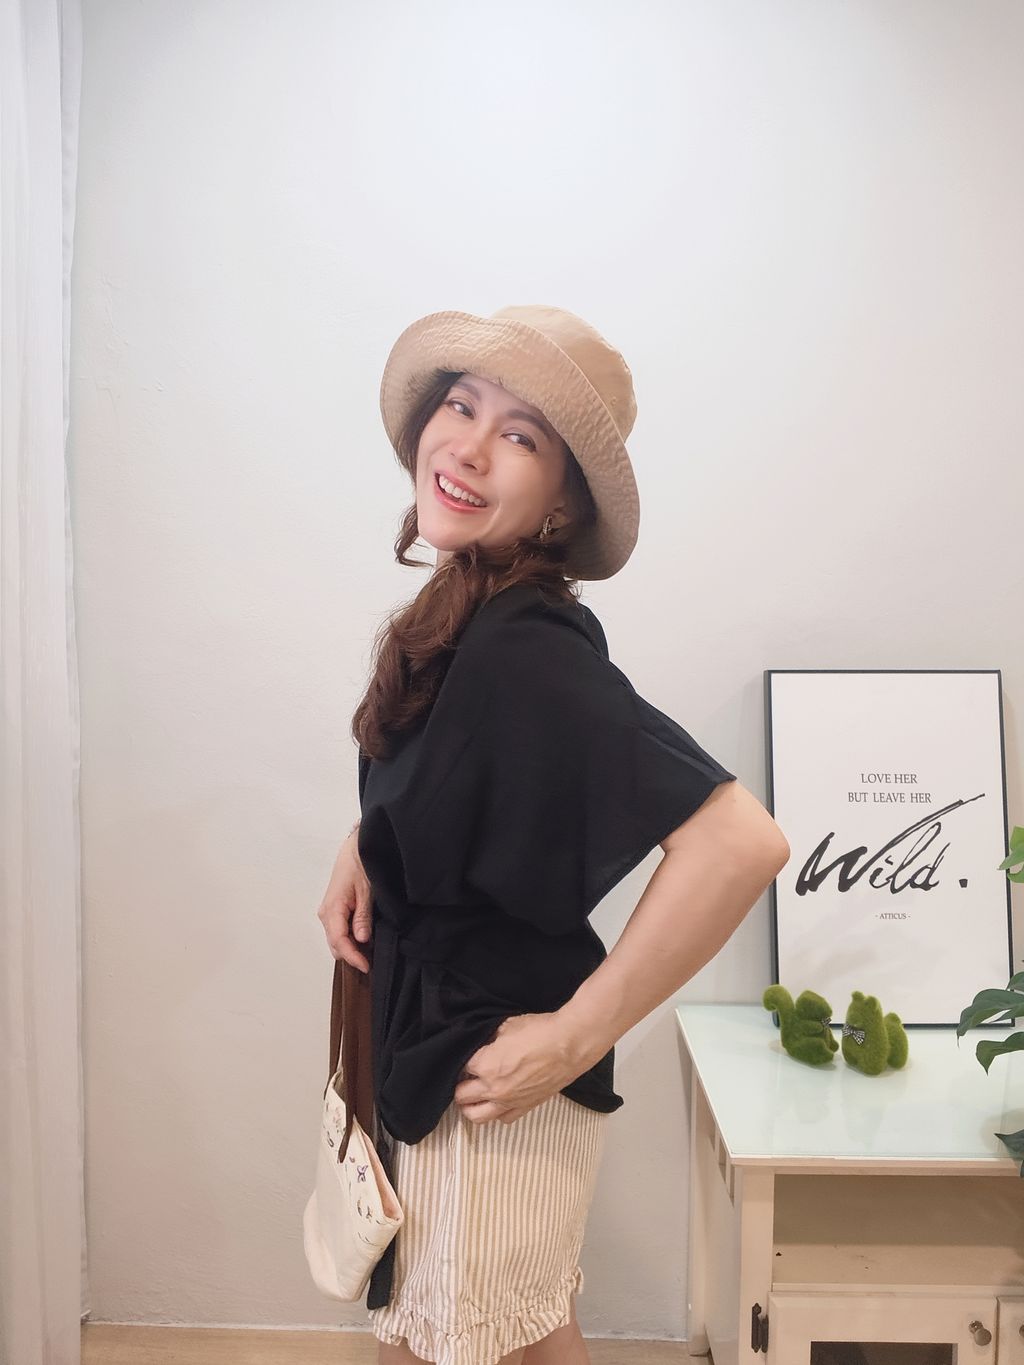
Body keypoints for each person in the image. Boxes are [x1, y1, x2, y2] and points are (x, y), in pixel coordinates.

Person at [316, 304, 791, 1365]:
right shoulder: (466, 612)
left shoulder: (526, 649)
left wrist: (574, 1034)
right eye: (461, 406)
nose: (469, 447)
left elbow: (740, 842)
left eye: (521, 436)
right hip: (453, 1054)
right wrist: (369, 842)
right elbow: (457, 784)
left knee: (467, 1336)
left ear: (562, 503)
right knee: (519, 1330)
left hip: (486, 1068)